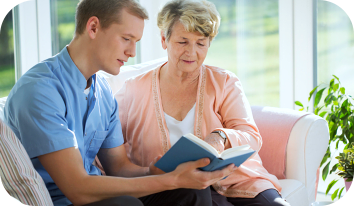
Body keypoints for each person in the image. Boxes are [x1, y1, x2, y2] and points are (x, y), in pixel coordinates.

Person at [4, 0, 236, 206]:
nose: (132, 52)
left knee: (190, 191)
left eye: (136, 41)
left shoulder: (103, 92)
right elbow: (78, 190)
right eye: (126, 39)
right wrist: (169, 180)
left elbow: (120, 168)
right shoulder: (40, 90)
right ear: (93, 27)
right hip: (68, 199)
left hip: (102, 194)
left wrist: (153, 171)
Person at [115, 0, 290, 205]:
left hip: (238, 181)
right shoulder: (132, 91)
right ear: (164, 39)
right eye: (183, 42)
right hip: (179, 188)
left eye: (201, 43)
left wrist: (220, 136)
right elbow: (108, 148)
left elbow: (251, 136)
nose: (192, 52)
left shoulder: (225, 82)